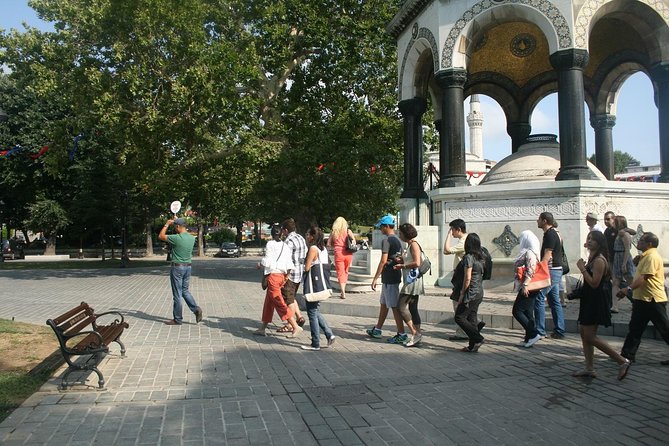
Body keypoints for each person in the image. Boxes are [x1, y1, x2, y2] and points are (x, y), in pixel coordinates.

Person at [573, 231, 631, 380]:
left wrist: (582, 268)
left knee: (590, 336)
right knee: (584, 333)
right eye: (588, 238)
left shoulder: (599, 260)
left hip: (595, 301)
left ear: (599, 243)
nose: (590, 241)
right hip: (588, 300)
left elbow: (594, 283)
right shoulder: (592, 258)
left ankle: (622, 361)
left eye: (593, 239)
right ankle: (589, 368)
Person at [619, 232, 669, 364]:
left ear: (649, 244)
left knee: (664, 328)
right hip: (642, 298)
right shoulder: (645, 256)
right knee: (635, 327)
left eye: (641, 240)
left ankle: (627, 354)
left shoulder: (652, 256)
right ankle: (627, 355)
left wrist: (628, 289)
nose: (638, 242)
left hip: (653, 299)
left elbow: (644, 277)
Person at [254, 225, 302, 337]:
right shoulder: (285, 246)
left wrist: (259, 265)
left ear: (271, 234)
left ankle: (295, 326)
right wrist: (286, 277)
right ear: (281, 234)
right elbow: (289, 263)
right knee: (269, 303)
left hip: (273, 277)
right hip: (281, 276)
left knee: (279, 303)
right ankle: (262, 328)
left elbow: (267, 260)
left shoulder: (270, 244)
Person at [366, 214, 406, 344]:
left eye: (382, 227)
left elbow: (383, 261)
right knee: (384, 304)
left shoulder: (387, 241)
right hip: (393, 276)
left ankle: (401, 333)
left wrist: (375, 278)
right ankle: (377, 329)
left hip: (389, 277)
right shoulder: (399, 240)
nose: (380, 229)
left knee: (394, 306)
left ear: (387, 226)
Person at [444, 219, 484, 341]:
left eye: (452, 230)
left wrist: (448, 236)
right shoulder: (467, 242)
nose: (452, 232)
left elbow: (446, 250)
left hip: (465, 282)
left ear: (458, 229)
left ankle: (467, 334)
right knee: (470, 312)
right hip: (473, 286)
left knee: (459, 312)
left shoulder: (465, 244)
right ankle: (474, 334)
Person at [158, 218, 203, 325]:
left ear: (178, 226)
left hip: (177, 268)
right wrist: (177, 220)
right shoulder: (191, 238)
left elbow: (161, 236)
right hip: (188, 267)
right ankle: (196, 309)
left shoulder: (177, 238)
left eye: (175, 227)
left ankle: (177, 319)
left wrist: (167, 224)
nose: (175, 229)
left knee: (177, 294)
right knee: (185, 291)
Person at [301, 226, 336, 351]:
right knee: (315, 311)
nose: (306, 236)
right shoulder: (323, 249)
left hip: (313, 286)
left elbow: (307, 267)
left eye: (307, 234)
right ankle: (329, 334)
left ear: (311, 236)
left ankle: (315, 343)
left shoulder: (313, 249)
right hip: (321, 285)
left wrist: (304, 262)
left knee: (312, 313)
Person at [392, 223, 424, 347]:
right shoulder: (410, 245)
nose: (399, 235)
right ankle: (417, 334)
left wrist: (402, 265)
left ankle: (415, 333)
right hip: (411, 280)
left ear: (406, 234)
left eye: (400, 233)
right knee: (413, 308)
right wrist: (402, 260)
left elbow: (417, 262)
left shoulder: (414, 245)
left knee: (400, 307)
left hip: (412, 281)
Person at [535, 212, 566, 339]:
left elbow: (548, 255)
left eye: (539, 219)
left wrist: (539, 269)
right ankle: (559, 329)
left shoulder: (550, 235)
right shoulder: (556, 233)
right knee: (554, 300)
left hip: (551, 270)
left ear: (544, 221)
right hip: (557, 269)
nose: (537, 221)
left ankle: (540, 330)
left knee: (539, 298)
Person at [454, 233, 486, 352]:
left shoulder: (469, 257)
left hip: (471, 292)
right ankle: (472, 346)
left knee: (459, 317)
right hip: (479, 292)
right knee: (472, 318)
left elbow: (467, 278)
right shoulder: (481, 257)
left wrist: (462, 293)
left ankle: (478, 339)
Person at [512, 230, 542, 348]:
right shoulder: (529, 252)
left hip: (529, 286)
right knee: (528, 313)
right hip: (530, 286)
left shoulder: (530, 253)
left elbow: (531, 269)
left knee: (517, 311)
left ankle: (534, 334)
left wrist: (525, 285)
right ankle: (528, 338)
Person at [276, 218, 306, 332]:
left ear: (286, 230)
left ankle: (291, 324)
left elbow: (285, 259)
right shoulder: (301, 238)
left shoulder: (289, 241)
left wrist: (284, 274)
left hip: (291, 274)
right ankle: (299, 317)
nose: (282, 232)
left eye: (283, 230)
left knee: (287, 300)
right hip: (299, 273)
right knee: (292, 297)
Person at [611, 216, 636, 313]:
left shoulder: (624, 234)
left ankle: (636, 303)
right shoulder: (619, 232)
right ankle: (614, 305)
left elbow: (627, 249)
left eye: (616, 222)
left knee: (631, 282)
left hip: (623, 257)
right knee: (615, 282)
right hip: (617, 256)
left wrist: (624, 264)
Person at [327, 216, 355, 299]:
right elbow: (353, 241)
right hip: (348, 253)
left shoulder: (334, 232)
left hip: (338, 253)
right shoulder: (348, 231)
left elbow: (328, 244)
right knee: (346, 271)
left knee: (340, 272)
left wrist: (334, 245)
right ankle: (344, 289)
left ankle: (342, 291)